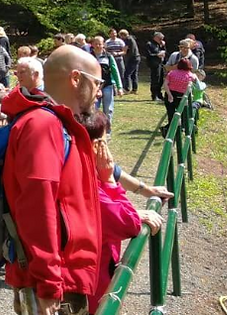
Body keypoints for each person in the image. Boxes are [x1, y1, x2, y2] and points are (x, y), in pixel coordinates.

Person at [2, 44, 102, 315]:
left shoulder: (63, 124)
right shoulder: (44, 126)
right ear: (76, 78)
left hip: (65, 276)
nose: (100, 91)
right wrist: (48, 284)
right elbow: (37, 207)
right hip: (54, 281)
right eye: (97, 82)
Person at [77, 110, 163, 314]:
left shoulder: (84, 169)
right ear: (95, 145)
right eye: (104, 142)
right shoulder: (85, 180)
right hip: (89, 283)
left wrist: (141, 193)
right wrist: (108, 181)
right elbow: (126, 223)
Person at [90, 36, 122, 136]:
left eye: (100, 43)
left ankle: (107, 131)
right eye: (96, 43)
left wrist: (119, 87)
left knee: (108, 109)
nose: (99, 46)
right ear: (92, 44)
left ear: (103, 44)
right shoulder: (89, 57)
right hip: (94, 87)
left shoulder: (108, 56)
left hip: (107, 85)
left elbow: (115, 71)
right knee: (94, 108)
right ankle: (95, 130)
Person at [163, 58, 198, 123]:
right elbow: (197, 83)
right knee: (182, 113)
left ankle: (170, 128)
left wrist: (169, 94)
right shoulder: (190, 75)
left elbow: (165, 84)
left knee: (171, 113)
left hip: (170, 94)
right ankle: (181, 128)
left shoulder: (171, 73)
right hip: (182, 96)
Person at [146, 32, 167, 102]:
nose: (161, 40)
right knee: (155, 80)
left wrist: (163, 46)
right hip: (154, 64)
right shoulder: (149, 44)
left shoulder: (160, 44)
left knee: (160, 80)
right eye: (160, 39)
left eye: (162, 39)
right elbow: (148, 55)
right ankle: (154, 95)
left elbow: (164, 52)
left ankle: (159, 95)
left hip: (160, 64)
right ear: (155, 37)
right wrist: (157, 55)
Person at [118, 29, 141, 94]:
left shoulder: (128, 40)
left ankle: (126, 88)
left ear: (123, 35)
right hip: (137, 58)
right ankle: (134, 89)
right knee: (134, 74)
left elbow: (126, 49)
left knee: (126, 74)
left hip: (133, 59)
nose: (121, 38)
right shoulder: (131, 38)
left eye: (121, 36)